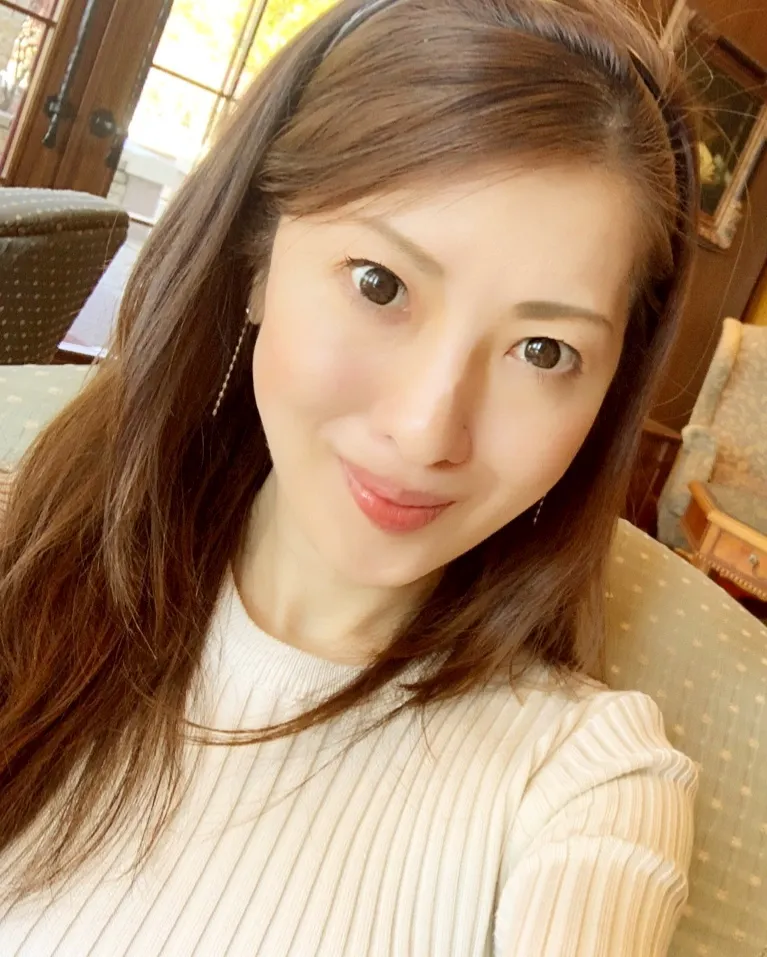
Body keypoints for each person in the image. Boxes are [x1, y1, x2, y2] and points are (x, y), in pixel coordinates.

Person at [0, 0, 700, 953]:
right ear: (256, 261)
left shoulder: (586, 782)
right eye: (380, 284)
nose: (426, 429)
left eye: (542, 349)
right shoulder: (25, 560)